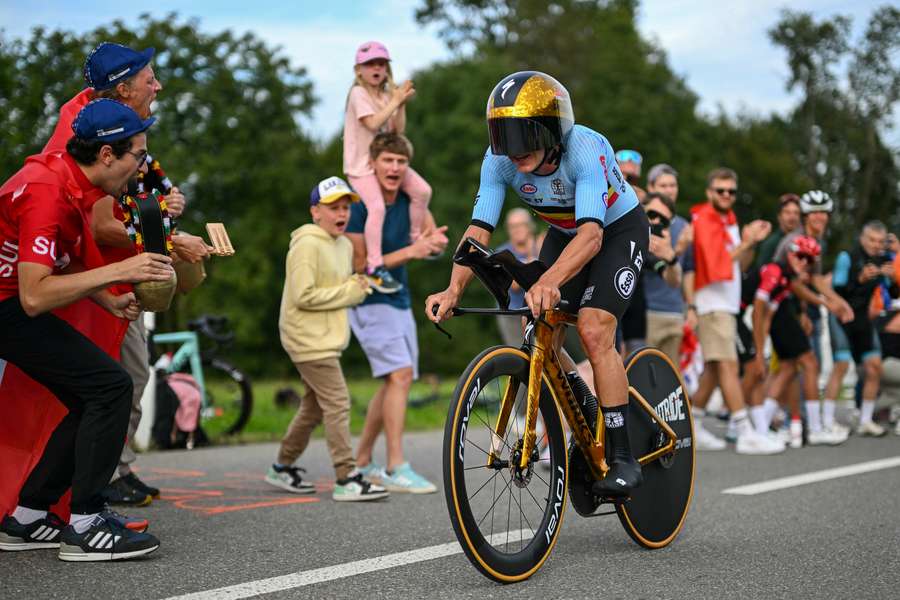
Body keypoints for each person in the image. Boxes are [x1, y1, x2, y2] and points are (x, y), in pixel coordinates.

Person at [426, 71, 649, 495]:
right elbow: (477, 230)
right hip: (566, 233)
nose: (512, 149)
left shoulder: (583, 148)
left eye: (522, 134)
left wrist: (547, 279)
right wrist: (452, 290)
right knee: (539, 326)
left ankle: (622, 456)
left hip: (616, 231)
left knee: (594, 327)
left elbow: (593, 236)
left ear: (551, 129)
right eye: (502, 135)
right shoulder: (498, 162)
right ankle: (584, 398)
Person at [0, 99, 171, 560]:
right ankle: (86, 523)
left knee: (93, 393)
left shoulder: (69, 178)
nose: (144, 167)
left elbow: (55, 256)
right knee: (111, 386)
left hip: (10, 302)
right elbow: (35, 294)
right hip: (9, 305)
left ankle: (29, 517)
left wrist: (107, 297)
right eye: (139, 155)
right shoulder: (47, 191)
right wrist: (124, 268)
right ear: (108, 155)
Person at [43, 42, 212, 506]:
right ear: (122, 88)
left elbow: (137, 200)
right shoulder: (95, 136)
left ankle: (111, 473)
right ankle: (85, 495)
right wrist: (175, 241)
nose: (157, 85)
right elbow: (100, 225)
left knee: (128, 379)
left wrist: (165, 206)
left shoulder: (118, 126)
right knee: (114, 384)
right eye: (149, 78)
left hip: (111, 276)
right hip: (91, 279)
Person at [266, 176, 388, 502]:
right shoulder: (306, 244)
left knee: (313, 408)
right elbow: (303, 295)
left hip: (326, 339)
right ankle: (347, 477)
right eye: (333, 207)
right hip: (306, 339)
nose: (342, 213)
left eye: (346, 207)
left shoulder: (344, 244)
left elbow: (337, 286)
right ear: (315, 212)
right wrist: (350, 292)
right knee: (338, 402)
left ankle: (281, 466)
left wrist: (356, 284)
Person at [348, 133, 448, 493]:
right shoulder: (358, 204)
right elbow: (360, 265)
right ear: (372, 163)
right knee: (401, 375)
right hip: (368, 299)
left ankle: (361, 461)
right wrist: (413, 251)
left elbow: (430, 239)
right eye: (387, 160)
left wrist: (435, 245)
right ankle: (395, 465)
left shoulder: (412, 198)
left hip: (400, 298)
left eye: (400, 162)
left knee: (394, 379)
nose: (394, 168)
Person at [683, 167, 784, 455]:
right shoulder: (704, 218)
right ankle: (744, 431)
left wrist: (751, 241)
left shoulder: (728, 220)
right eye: (720, 190)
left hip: (724, 305)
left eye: (731, 191)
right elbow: (715, 267)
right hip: (712, 305)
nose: (726, 195)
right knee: (728, 365)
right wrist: (747, 242)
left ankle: (695, 425)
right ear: (709, 192)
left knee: (714, 371)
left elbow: (741, 264)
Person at [343, 41, 432, 294]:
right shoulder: (358, 94)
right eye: (370, 64)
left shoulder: (384, 95)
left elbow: (397, 130)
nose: (376, 68)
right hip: (361, 167)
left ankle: (415, 237)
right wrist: (395, 100)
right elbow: (372, 124)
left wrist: (400, 103)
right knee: (377, 208)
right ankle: (374, 267)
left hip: (382, 163)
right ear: (358, 70)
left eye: (381, 64)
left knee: (422, 191)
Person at [772, 190, 854, 444]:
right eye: (814, 212)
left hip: (792, 308)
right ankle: (805, 425)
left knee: (794, 367)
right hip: (783, 308)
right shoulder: (796, 241)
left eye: (823, 212)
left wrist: (838, 302)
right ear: (806, 216)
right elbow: (793, 284)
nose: (819, 217)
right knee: (805, 365)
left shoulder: (814, 240)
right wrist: (820, 305)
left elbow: (816, 280)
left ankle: (795, 423)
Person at [743, 236, 822, 446]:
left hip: (749, 316)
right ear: (789, 254)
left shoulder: (786, 280)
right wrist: (759, 352)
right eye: (801, 256)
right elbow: (757, 311)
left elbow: (767, 316)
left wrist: (763, 348)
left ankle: (761, 426)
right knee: (752, 372)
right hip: (737, 313)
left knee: (770, 372)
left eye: (810, 260)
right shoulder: (775, 271)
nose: (805, 263)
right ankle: (740, 426)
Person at [832, 221, 894, 437]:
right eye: (872, 240)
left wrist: (892, 276)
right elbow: (837, 291)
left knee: (874, 367)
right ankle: (825, 421)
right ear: (862, 238)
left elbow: (893, 293)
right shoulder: (847, 257)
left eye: (880, 241)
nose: (876, 245)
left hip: (863, 319)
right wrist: (860, 279)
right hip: (841, 315)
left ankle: (865, 420)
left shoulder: (885, 260)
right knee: (841, 365)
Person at [644, 165, 692, 363]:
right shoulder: (642, 220)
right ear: (651, 187)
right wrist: (676, 250)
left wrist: (691, 307)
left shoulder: (684, 226)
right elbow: (649, 260)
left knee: (670, 381)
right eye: (664, 185)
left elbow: (688, 270)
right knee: (641, 373)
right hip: (646, 311)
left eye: (673, 185)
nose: (669, 190)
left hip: (674, 311)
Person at [495, 208, 540, 346]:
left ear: (530, 226)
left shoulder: (542, 247)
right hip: (511, 314)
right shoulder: (502, 253)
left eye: (521, 225)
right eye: (512, 226)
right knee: (519, 354)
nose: (517, 229)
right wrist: (531, 259)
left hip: (538, 311)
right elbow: (513, 285)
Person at [754, 194, 801, 269]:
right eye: (787, 212)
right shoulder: (771, 243)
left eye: (796, 213)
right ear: (779, 216)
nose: (792, 217)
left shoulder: (805, 240)